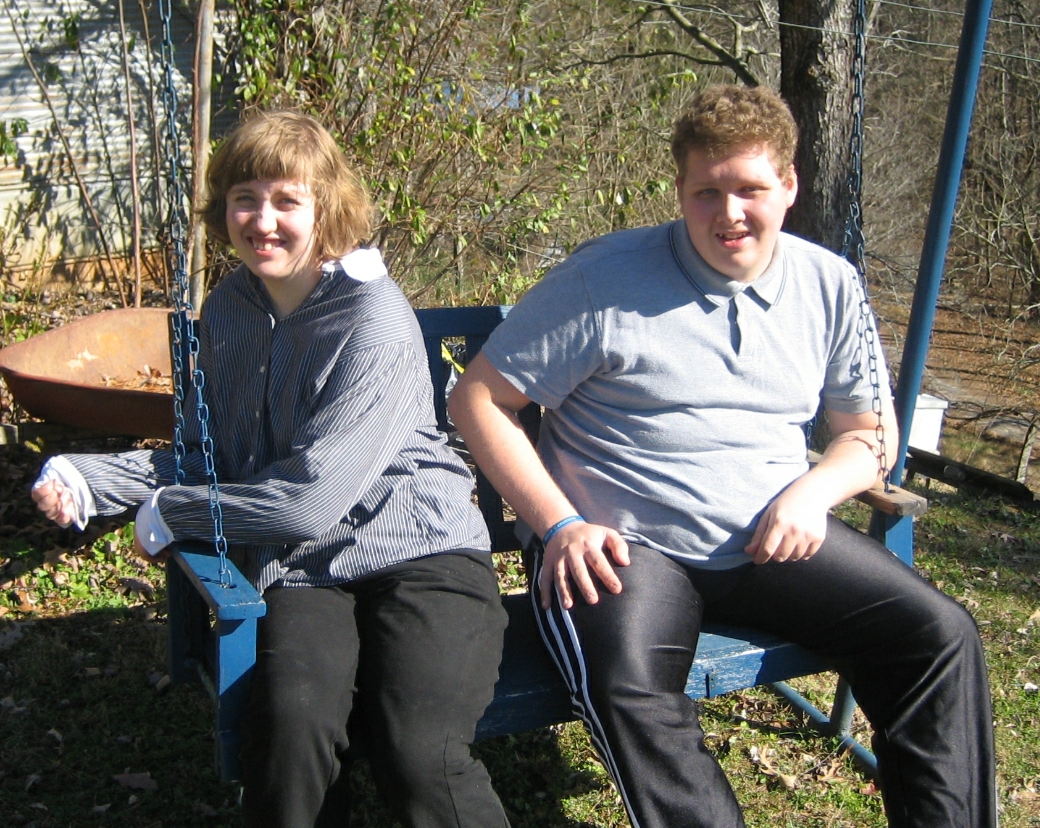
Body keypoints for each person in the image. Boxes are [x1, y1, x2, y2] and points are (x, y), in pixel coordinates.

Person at [448, 85, 995, 828]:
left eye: (750, 189)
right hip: (626, 547)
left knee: (939, 637)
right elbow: (479, 400)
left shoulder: (829, 285)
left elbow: (870, 435)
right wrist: (558, 524)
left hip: (772, 534)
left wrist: (813, 493)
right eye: (707, 192)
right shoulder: (601, 282)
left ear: (790, 186)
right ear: (680, 189)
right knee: (632, 689)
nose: (729, 213)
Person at [32, 111, 511, 828]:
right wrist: (93, 481)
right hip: (304, 567)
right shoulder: (227, 309)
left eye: (288, 200)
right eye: (245, 199)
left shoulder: (372, 318)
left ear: (327, 208)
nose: (264, 220)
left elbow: (305, 499)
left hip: (421, 553)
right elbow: (217, 459)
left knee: (418, 749)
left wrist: (178, 512)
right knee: (291, 730)